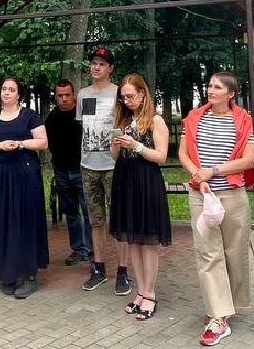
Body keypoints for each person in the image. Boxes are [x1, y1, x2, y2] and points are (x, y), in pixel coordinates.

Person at [179, 72, 254, 347]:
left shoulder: (243, 120)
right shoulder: (195, 117)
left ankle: (226, 306)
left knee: (234, 253)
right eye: (209, 85)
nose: (210, 90)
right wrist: (198, 177)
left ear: (231, 93)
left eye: (217, 87)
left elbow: (248, 160)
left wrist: (213, 171)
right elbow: (183, 153)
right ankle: (218, 315)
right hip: (201, 194)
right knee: (208, 253)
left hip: (232, 194)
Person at [108, 74, 172, 319]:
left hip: (146, 181)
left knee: (149, 240)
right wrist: (116, 144)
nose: (126, 101)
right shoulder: (123, 120)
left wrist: (136, 146)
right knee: (132, 239)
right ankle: (141, 291)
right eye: (123, 98)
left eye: (130, 96)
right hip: (124, 180)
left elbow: (161, 156)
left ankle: (151, 294)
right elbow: (114, 157)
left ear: (142, 93)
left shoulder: (155, 120)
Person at [0, 77, 49, 298]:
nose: (7, 92)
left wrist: (19, 144)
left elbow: (43, 142)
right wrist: (0, 145)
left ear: (19, 94)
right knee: (2, 222)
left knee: (25, 221)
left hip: (25, 176)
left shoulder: (30, 116)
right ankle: (7, 274)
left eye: (11, 89)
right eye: (4, 89)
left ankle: (29, 276)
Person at [78, 47, 130, 295]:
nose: (96, 67)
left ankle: (123, 271)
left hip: (113, 165)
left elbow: (126, 124)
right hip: (88, 165)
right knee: (95, 220)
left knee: (118, 219)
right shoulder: (83, 94)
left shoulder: (119, 93)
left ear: (111, 68)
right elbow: (84, 126)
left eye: (101, 63)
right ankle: (98, 268)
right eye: (93, 63)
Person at [44, 79, 93, 265]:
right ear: (55, 97)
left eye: (67, 95)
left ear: (74, 95)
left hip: (83, 170)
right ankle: (78, 249)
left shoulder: (83, 115)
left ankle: (92, 250)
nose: (64, 99)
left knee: (88, 211)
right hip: (62, 171)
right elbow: (49, 144)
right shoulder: (51, 119)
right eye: (60, 95)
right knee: (71, 212)